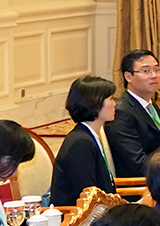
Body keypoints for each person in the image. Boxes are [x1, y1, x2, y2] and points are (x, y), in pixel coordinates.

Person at [49, 75, 120, 206]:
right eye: (110, 99)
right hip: (80, 216)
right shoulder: (80, 143)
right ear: (95, 103)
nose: (114, 103)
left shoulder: (88, 135)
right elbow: (88, 196)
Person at [104, 48, 160, 179]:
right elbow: (138, 164)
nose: (154, 75)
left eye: (157, 69)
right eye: (145, 71)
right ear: (128, 77)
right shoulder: (121, 113)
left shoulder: (151, 106)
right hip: (146, 182)